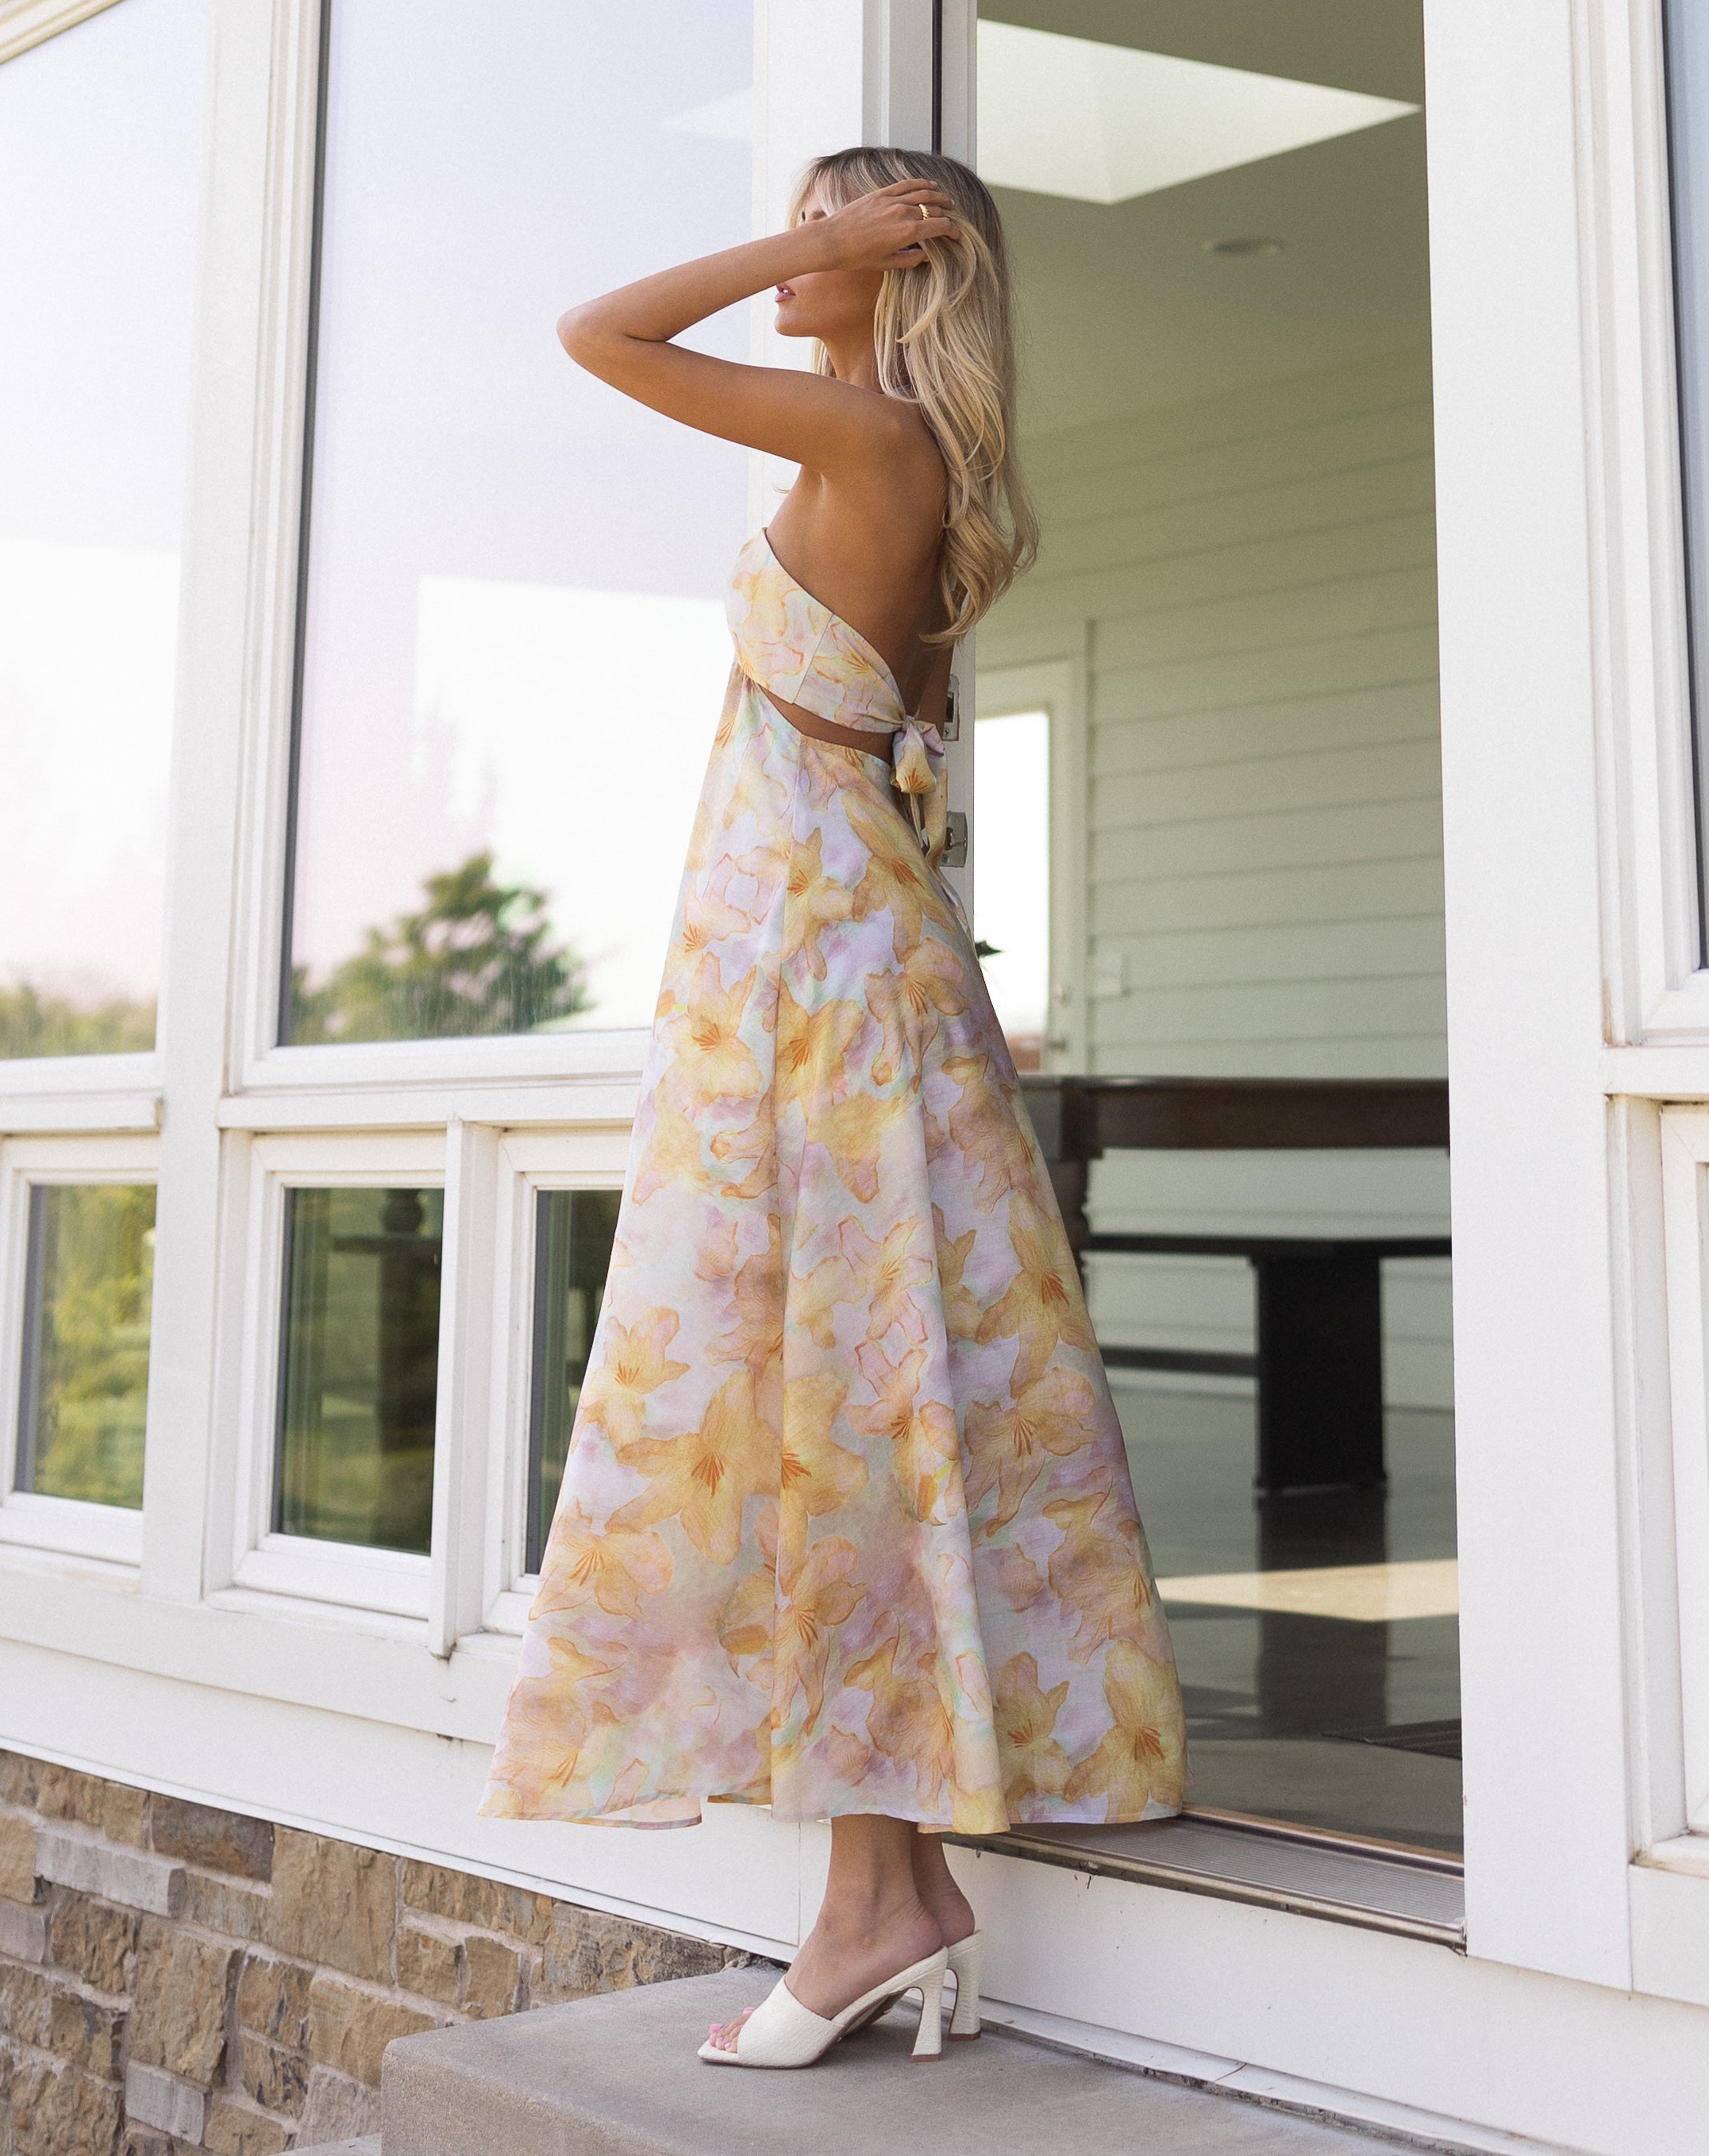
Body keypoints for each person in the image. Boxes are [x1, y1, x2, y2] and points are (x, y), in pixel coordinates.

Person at [482, 146, 1184, 2068]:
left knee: (843, 1412)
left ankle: (880, 1898)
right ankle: (881, 1890)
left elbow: (598, 331)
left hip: (820, 994)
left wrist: (816, 248)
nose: (799, 260)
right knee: (824, 1416)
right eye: (800, 225)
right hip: (812, 977)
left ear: (897, 256)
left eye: (831, 227)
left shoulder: (873, 440)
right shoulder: (877, 457)